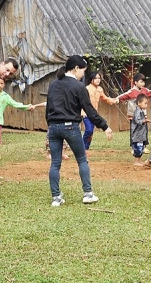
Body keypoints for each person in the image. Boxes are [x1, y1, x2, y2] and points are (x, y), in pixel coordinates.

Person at [46, 55, 113, 207]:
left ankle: (56, 198)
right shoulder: (78, 86)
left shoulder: (53, 84)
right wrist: (104, 126)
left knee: (55, 163)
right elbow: (89, 110)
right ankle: (88, 194)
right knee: (82, 160)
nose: (83, 74)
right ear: (76, 68)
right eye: (83, 70)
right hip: (71, 126)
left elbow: (48, 107)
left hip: (53, 127)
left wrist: (51, 124)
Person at [0, 78, 44, 160]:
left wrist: (27, 107)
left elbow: (15, 104)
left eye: (1, 83)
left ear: (4, 85)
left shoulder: (5, 96)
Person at [84, 71, 119, 150]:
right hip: (85, 113)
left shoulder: (100, 89)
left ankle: (86, 149)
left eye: (99, 78)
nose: (97, 80)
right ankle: (82, 148)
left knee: (91, 133)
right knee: (89, 130)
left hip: (94, 114)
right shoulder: (87, 88)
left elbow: (105, 98)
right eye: (95, 78)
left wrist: (114, 100)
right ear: (91, 79)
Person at [130, 94, 151, 167]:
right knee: (138, 147)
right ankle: (136, 161)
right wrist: (145, 121)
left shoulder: (140, 111)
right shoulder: (137, 111)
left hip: (141, 134)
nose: (146, 105)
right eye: (145, 103)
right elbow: (137, 120)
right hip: (137, 134)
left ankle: (138, 160)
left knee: (141, 147)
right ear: (139, 103)